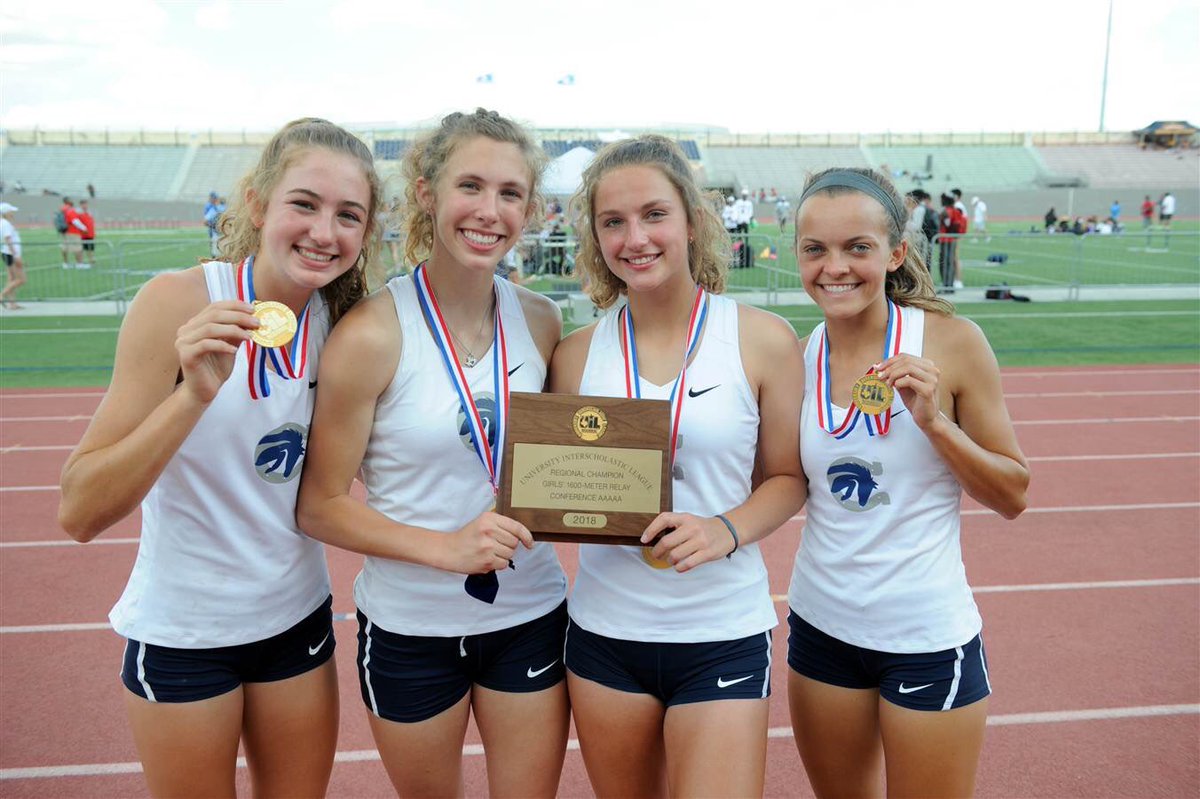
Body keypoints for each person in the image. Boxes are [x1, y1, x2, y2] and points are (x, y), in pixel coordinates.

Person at [57, 117, 383, 798]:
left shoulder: (349, 323)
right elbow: (80, 509)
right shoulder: (177, 301)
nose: (325, 231)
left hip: (296, 621)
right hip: (184, 631)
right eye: (304, 203)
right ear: (259, 204)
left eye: (347, 215)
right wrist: (193, 393)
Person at [295, 108, 569, 798]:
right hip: (412, 625)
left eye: (510, 193)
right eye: (469, 186)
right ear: (426, 194)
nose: (489, 211)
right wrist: (444, 547)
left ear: (530, 209)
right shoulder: (370, 334)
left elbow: (567, 466)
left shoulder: (540, 319)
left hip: (529, 614)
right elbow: (320, 506)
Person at [550, 134, 806, 798]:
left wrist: (725, 527)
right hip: (606, 633)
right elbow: (552, 481)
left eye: (654, 214)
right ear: (597, 237)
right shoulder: (575, 356)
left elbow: (786, 477)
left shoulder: (761, 339)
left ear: (692, 220)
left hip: (720, 629)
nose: (635, 237)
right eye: (613, 221)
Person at [787, 167, 1029, 797]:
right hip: (821, 629)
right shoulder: (797, 352)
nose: (834, 267)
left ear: (895, 253)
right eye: (816, 249)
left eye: (857, 247)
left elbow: (1013, 495)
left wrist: (935, 423)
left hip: (924, 635)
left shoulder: (951, 342)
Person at [936, 193, 965, 292]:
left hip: (946, 240)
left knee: (946, 262)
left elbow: (948, 225)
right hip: (950, 239)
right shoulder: (954, 211)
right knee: (948, 262)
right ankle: (948, 285)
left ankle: (947, 286)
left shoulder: (948, 211)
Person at [0, 202, 24, 310]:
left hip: (7, 252)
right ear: (7, 212)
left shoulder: (4, 223)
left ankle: (12, 303)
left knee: (12, 278)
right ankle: (2, 294)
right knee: (21, 279)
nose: (13, 213)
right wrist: (16, 255)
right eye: (11, 211)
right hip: (10, 253)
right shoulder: (5, 224)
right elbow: (8, 239)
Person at [734, 188, 754, 268]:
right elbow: (736, 210)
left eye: (746, 195)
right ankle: (739, 244)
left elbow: (750, 212)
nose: (744, 196)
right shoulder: (738, 202)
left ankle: (745, 244)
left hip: (745, 220)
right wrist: (737, 218)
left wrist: (748, 218)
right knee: (738, 234)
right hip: (739, 220)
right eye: (744, 195)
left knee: (746, 234)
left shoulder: (749, 203)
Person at [204, 191, 223, 258]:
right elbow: (206, 221)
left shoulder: (217, 208)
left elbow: (205, 221)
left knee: (217, 252)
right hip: (217, 232)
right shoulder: (212, 208)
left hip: (219, 233)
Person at [78, 198, 97, 267]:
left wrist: (93, 233)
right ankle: (80, 262)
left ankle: (91, 261)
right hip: (83, 235)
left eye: (86, 204)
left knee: (91, 249)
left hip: (90, 234)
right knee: (81, 249)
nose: (85, 206)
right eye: (83, 204)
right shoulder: (79, 213)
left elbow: (91, 224)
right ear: (80, 205)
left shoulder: (89, 213)